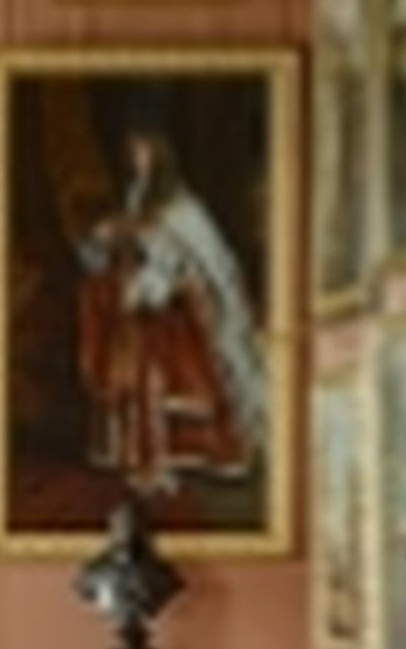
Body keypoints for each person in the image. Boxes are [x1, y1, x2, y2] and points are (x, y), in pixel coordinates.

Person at [75, 128, 273, 500]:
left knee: (168, 379)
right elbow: (137, 248)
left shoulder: (184, 209)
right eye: (133, 154)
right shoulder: (138, 200)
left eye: (144, 153)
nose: (137, 161)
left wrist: (157, 283)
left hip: (183, 312)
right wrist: (114, 243)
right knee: (137, 372)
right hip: (152, 312)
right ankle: (143, 456)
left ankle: (183, 454)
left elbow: (202, 265)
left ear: (161, 157)